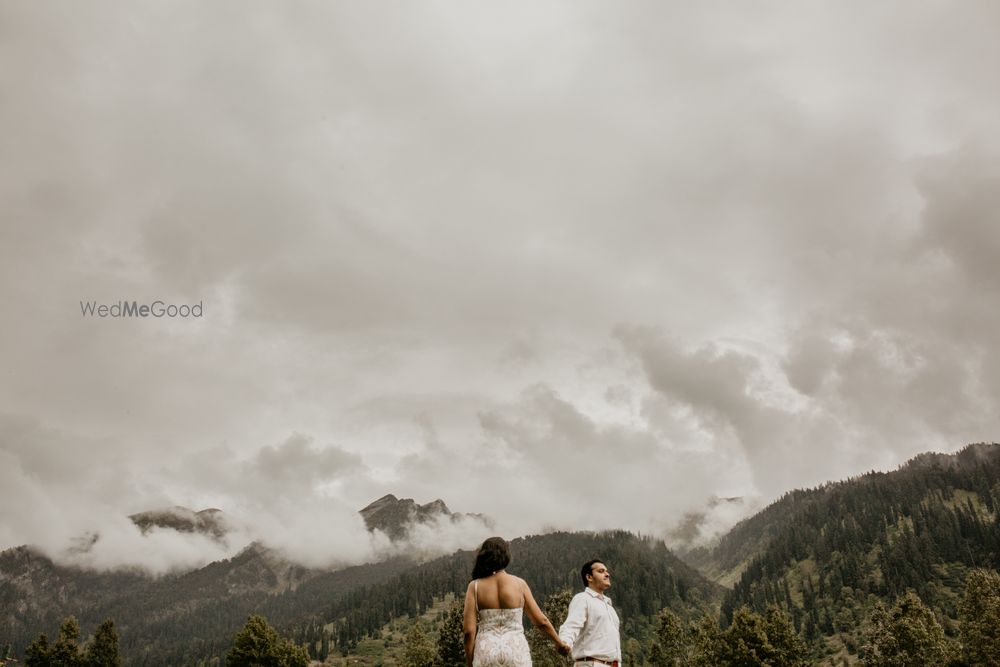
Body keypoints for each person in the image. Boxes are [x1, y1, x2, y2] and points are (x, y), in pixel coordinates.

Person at [463, 537, 570, 667]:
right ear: (506, 556)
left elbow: (469, 631)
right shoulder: (519, 584)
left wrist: (470, 662)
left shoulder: (475, 586)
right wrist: (559, 643)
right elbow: (541, 622)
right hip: (516, 651)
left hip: (486, 652)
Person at [558, 559, 622, 667]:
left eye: (606, 571)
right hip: (590, 664)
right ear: (589, 577)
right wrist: (565, 642)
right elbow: (571, 625)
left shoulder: (609, 607)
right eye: (601, 571)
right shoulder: (583, 599)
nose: (607, 574)